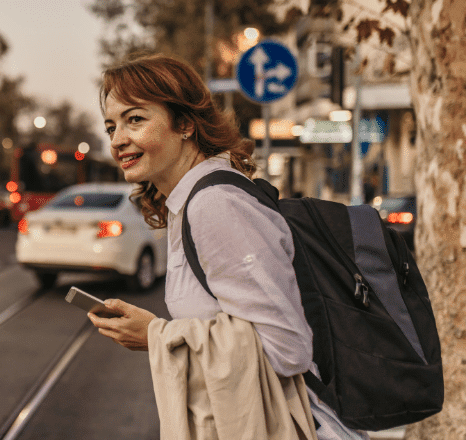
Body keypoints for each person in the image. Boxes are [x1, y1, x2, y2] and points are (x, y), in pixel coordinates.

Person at [87, 53, 369, 440]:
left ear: (184, 123)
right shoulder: (190, 203)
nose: (118, 140)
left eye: (135, 119)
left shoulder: (215, 204)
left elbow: (287, 348)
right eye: (111, 126)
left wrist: (157, 334)